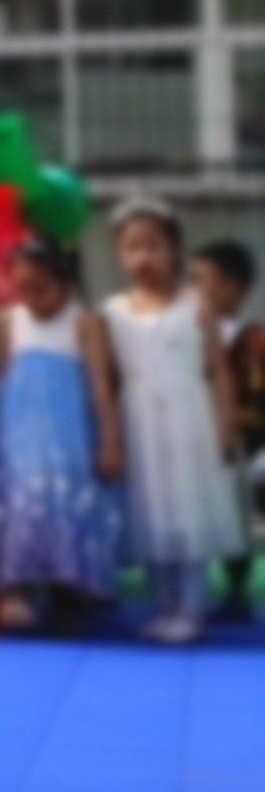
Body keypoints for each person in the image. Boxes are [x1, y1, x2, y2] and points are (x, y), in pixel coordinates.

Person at [0, 237, 125, 635]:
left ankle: (68, 592)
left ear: (66, 282)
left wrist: (109, 440)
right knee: (21, 503)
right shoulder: (8, 320)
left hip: (69, 430)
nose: (32, 299)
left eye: (42, 289)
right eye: (23, 289)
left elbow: (100, 385)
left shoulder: (84, 321)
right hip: (17, 429)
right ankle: (18, 590)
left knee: (66, 504)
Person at [101, 202, 244, 646]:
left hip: (188, 417)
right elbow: (108, 375)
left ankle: (191, 606)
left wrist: (224, 425)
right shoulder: (112, 310)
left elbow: (218, 370)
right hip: (139, 418)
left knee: (187, 507)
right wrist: (110, 434)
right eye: (132, 248)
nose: (143, 257)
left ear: (175, 250)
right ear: (119, 255)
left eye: (153, 246)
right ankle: (163, 604)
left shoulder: (197, 305)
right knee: (150, 510)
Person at [190, 237, 261, 614]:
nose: (190, 290)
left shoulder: (252, 342)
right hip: (188, 439)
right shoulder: (185, 333)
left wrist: (239, 430)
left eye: (197, 280)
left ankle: (236, 587)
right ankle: (187, 588)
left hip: (234, 444)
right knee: (191, 514)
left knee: (234, 513)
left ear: (230, 288)